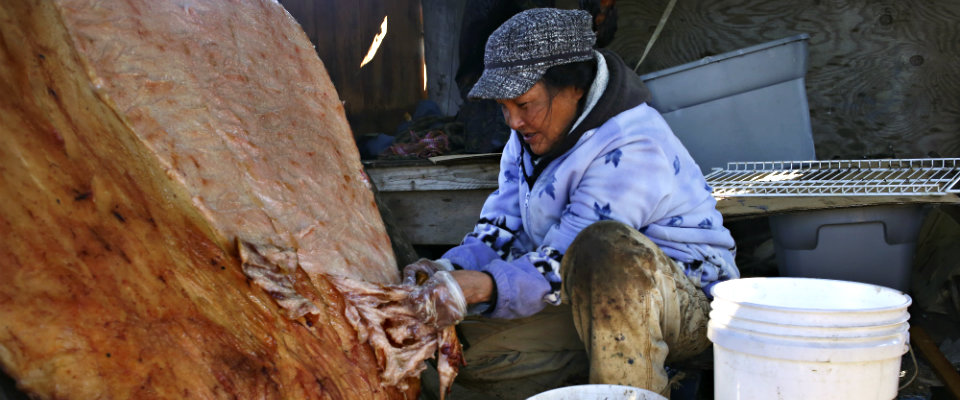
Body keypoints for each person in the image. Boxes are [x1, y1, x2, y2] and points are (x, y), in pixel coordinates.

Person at [407, 8, 739, 399]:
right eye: (503, 107)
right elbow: (501, 227)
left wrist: (484, 287)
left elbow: (568, 258)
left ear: (574, 88)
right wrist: (449, 267)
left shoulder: (632, 144)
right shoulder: (528, 135)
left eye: (523, 104)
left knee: (605, 246)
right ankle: (616, 371)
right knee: (461, 353)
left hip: (686, 307)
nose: (512, 122)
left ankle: (645, 379)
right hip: (582, 297)